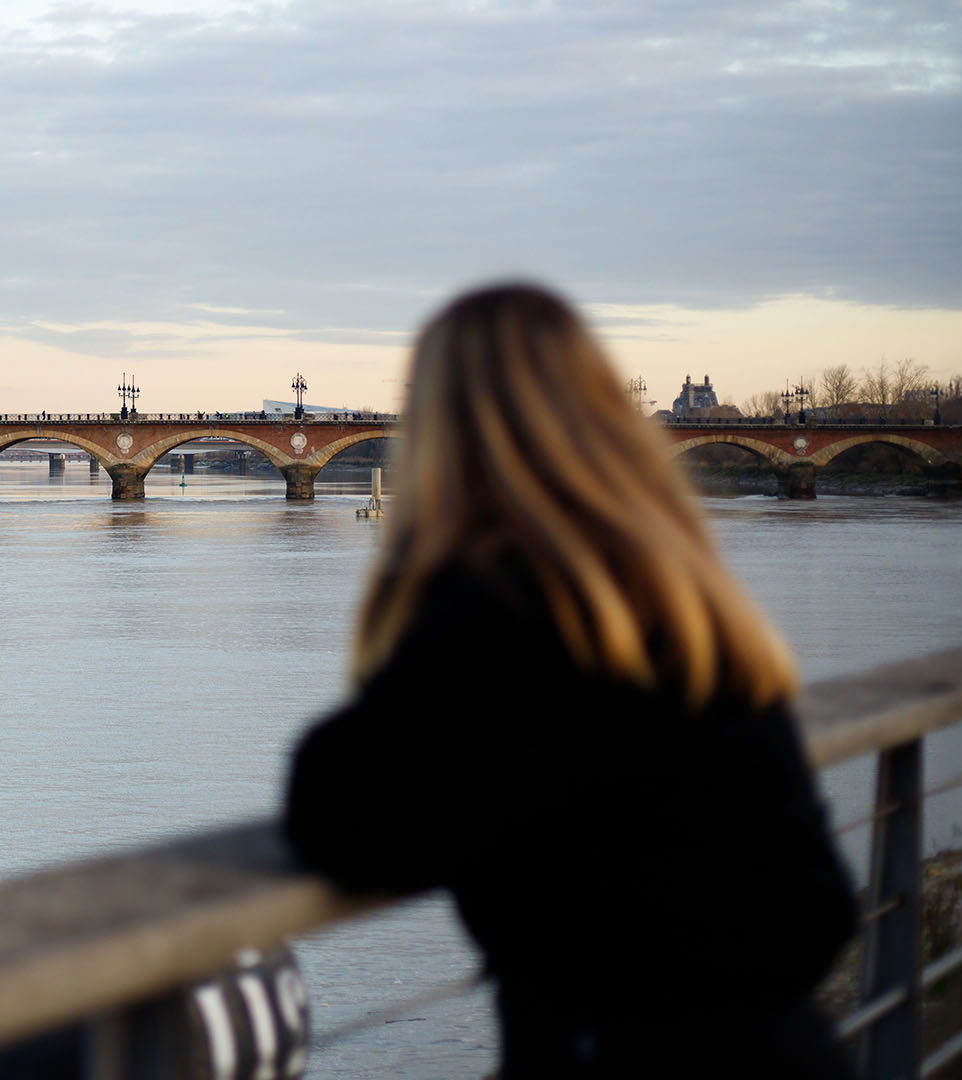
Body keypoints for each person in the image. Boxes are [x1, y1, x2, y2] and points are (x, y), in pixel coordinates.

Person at [283, 283, 858, 1078]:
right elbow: (817, 912)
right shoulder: (694, 603)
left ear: (444, 437)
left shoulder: (496, 608)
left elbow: (341, 813)